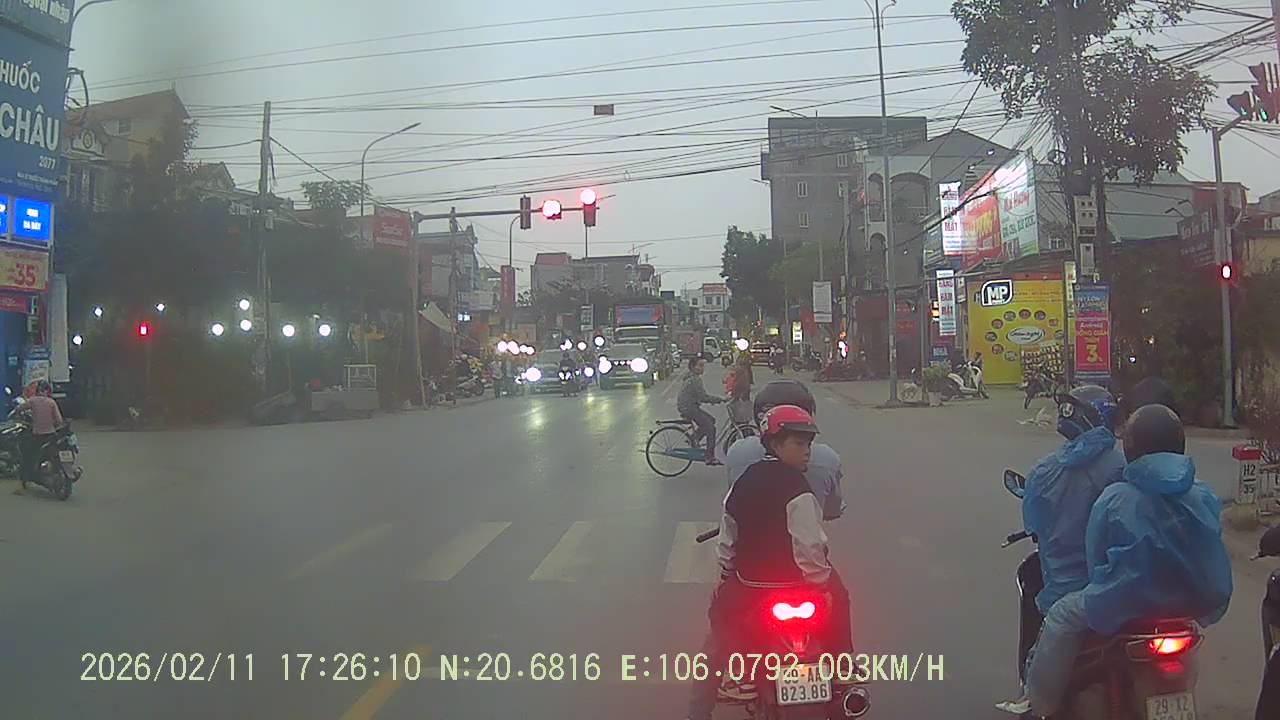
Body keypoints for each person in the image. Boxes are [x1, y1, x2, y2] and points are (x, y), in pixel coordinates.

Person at [1008, 404, 1233, 716]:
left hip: (1127, 601)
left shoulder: (1114, 497)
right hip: (1192, 601)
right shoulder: (1203, 494)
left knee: (1061, 615)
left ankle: (1037, 703)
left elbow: (1096, 561)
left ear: (1131, 446)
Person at [686, 405, 854, 720]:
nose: (807, 451)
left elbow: (727, 541)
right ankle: (844, 671)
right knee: (840, 601)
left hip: (750, 587)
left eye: (808, 444)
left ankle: (714, 698)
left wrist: (724, 577)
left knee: (719, 632)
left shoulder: (743, 482)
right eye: (798, 444)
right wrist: (820, 586)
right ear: (775, 444)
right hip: (798, 586)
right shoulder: (798, 489)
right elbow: (809, 546)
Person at [996, 385, 1125, 712]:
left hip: (1076, 587)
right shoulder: (1127, 466)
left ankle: (1034, 699)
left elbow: (1035, 520)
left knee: (1053, 618)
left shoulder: (1046, 470)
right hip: (1134, 582)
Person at [726, 379, 845, 520]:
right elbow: (832, 510)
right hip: (804, 531)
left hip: (749, 531)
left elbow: (732, 501)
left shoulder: (738, 451)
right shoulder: (827, 458)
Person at [17, 380, 64, 494]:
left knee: (27, 457)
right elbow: (59, 420)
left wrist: (17, 411)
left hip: (37, 436)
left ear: (38, 391)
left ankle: (22, 483)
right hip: (51, 435)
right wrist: (52, 425)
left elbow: (20, 408)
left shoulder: (33, 401)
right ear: (48, 391)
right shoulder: (51, 402)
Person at [678, 355, 725, 465]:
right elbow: (703, 397)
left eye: (703, 366)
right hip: (689, 408)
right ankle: (709, 457)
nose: (702, 368)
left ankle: (694, 439)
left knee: (711, 420)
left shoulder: (690, 377)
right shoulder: (695, 380)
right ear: (692, 367)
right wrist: (719, 399)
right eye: (700, 366)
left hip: (687, 406)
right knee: (711, 428)